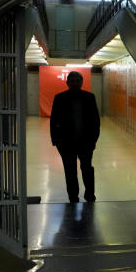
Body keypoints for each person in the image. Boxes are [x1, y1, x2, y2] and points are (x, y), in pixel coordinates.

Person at [50, 71, 100, 202]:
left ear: (82, 82)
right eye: (72, 81)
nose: (75, 83)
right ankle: (73, 196)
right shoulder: (59, 98)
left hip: (86, 142)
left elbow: (96, 120)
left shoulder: (90, 97)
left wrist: (93, 140)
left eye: (77, 81)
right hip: (66, 143)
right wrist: (56, 141)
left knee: (87, 169)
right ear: (67, 83)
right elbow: (54, 120)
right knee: (70, 170)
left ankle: (90, 194)